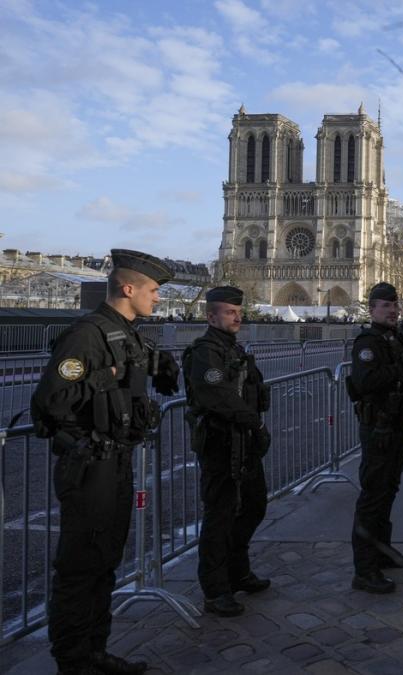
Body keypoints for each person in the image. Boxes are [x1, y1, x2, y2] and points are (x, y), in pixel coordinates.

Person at [31, 249, 179, 675]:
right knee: (80, 567)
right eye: (152, 290)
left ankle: (96, 652)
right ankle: (74, 661)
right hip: (88, 463)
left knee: (105, 561)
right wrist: (108, 376)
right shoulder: (88, 334)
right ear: (128, 288)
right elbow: (51, 401)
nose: (157, 298)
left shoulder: (129, 333)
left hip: (116, 459)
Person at [183, 286, 272, 618]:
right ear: (210, 316)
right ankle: (215, 589)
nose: (237, 317)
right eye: (229, 312)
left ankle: (238, 572)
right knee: (219, 517)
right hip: (221, 444)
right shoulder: (206, 353)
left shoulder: (233, 350)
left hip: (244, 442)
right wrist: (256, 425)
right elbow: (218, 397)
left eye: (238, 312)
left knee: (253, 506)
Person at [348, 282, 403, 594]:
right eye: (386, 306)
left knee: (389, 490)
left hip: (398, 424)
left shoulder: (397, 338)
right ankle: (364, 570)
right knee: (373, 496)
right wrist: (398, 369)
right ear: (372, 309)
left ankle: (383, 552)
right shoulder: (368, 341)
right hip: (377, 426)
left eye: (394, 305)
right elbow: (364, 382)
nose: (392, 310)